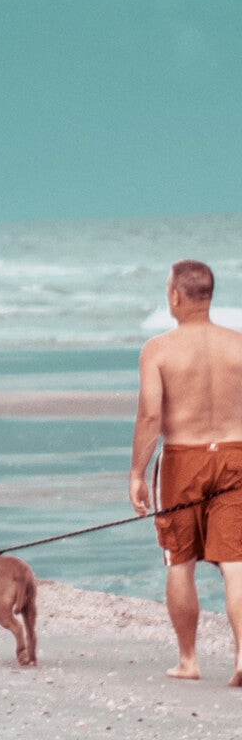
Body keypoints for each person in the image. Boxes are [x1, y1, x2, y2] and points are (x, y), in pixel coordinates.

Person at [128, 259, 242, 686]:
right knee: (236, 563)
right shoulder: (239, 344)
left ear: (175, 296)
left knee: (180, 562)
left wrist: (137, 473)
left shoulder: (158, 349)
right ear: (209, 295)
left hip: (183, 460)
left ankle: (189, 660)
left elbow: (150, 417)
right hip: (236, 455)